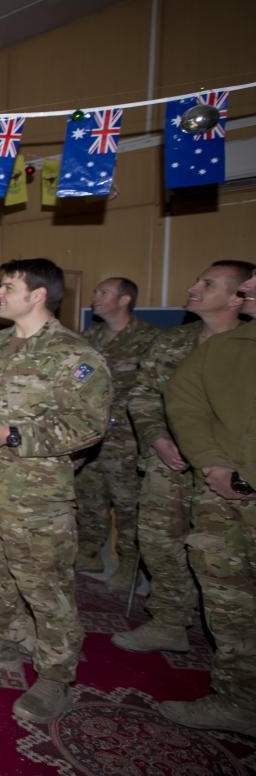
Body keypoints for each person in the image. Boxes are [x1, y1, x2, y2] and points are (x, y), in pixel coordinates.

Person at [0, 258, 110, 724]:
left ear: (38, 295)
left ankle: (57, 676)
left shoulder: (75, 355)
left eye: (8, 286)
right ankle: (1, 637)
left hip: (36, 495)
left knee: (45, 584)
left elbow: (89, 426)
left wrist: (12, 435)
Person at [114, 261, 252, 655]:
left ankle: (236, 656)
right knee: (160, 542)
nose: (192, 288)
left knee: (225, 562)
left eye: (206, 284)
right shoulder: (172, 342)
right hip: (168, 464)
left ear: (235, 296)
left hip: (229, 471)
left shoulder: (248, 344)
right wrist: (157, 437)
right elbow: (142, 395)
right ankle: (169, 621)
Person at [159, 266, 256, 737]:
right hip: (217, 484)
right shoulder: (215, 349)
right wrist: (211, 461)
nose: (249, 288)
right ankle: (238, 699)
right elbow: (178, 402)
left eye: (209, 285)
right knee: (229, 596)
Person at [73, 277, 160, 588]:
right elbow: (75, 379)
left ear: (124, 300)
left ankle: (129, 562)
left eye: (103, 292)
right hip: (88, 435)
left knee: (127, 503)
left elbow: (154, 391)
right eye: (95, 291)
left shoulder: (150, 338)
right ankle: (89, 550)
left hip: (127, 438)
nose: (95, 297)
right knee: (88, 495)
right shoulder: (88, 338)